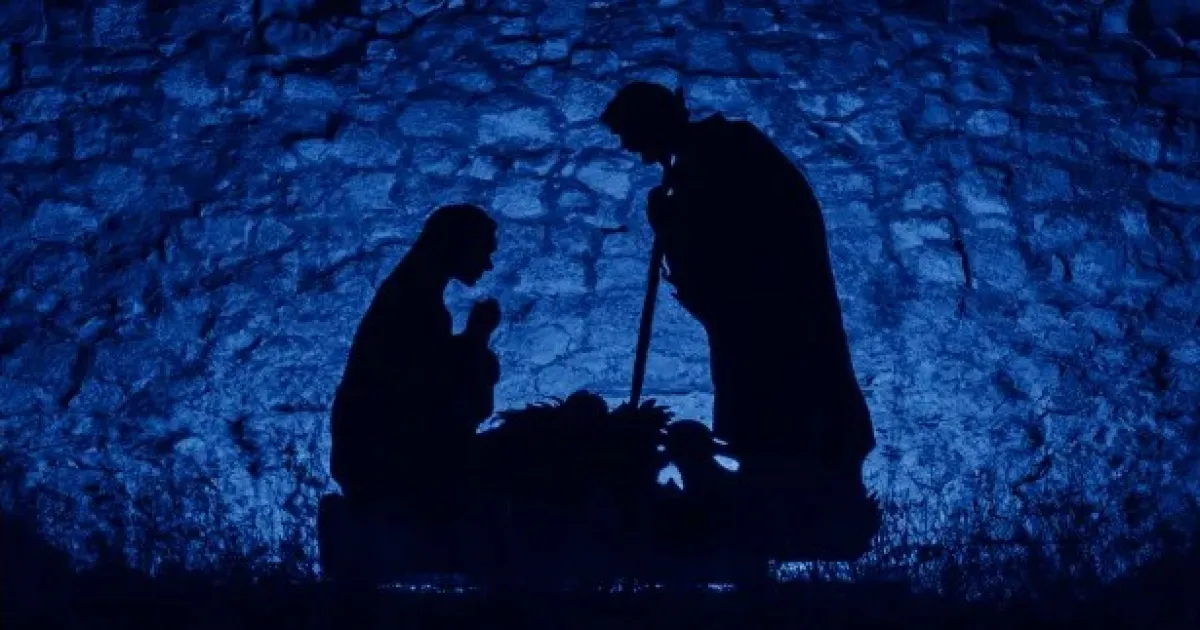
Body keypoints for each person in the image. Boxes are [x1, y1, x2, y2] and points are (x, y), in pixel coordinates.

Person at [600, 83, 878, 557]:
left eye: (631, 134)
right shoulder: (710, 158)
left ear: (653, 122)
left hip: (775, 331)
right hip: (759, 327)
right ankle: (777, 530)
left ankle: (798, 533)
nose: (633, 151)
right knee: (767, 427)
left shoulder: (723, 156)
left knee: (780, 425)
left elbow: (734, 252)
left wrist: (673, 227)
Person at [329, 204, 501, 526]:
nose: (487, 264)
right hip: (381, 457)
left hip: (374, 452)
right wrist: (475, 340)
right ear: (458, 244)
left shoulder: (412, 294)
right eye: (483, 251)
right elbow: (422, 388)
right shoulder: (415, 303)